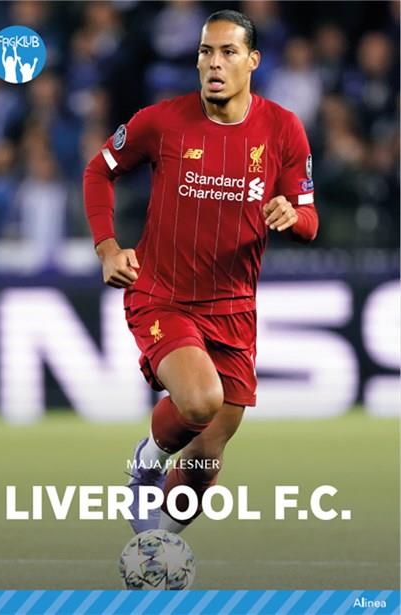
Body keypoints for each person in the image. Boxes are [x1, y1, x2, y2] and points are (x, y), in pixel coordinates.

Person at [83, 10, 318, 535]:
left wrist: (293, 215)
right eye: (206, 52)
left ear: (252, 61)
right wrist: (107, 247)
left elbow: (309, 218)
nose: (215, 63)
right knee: (199, 400)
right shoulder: (161, 121)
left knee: (205, 460)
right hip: (162, 295)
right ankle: (146, 460)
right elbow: (99, 170)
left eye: (228, 52)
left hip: (233, 309)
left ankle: (156, 546)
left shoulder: (283, 129)